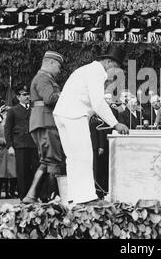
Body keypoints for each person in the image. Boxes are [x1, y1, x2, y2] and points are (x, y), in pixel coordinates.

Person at [53, 45, 129, 205]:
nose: (115, 73)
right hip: (75, 114)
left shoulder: (86, 69)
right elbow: (98, 103)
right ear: (108, 62)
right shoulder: (97, 72)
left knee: (73, 158)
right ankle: (86, 197)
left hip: (62, 114)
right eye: (116, 67)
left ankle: (73, 197)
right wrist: (115, 124)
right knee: (84, 156)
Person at [22, 51, 66, 204]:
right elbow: (49, 98)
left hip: (42, 122)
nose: (59, 70)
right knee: (54, 160)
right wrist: (67, 93)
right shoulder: (43, 78)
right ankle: (54, 197)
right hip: (46, 122)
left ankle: (31, 196)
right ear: (51, 63)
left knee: (47, 160)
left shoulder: (43, 78)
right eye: (58, 66)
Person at [5, 86, 38, 200]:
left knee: (35, 169)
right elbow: (7, 129)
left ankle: (34, 195)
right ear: (18, 97)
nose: (27, 96)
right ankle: (23, 196)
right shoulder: (12, 110)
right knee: (22, 171)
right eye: (24, 94)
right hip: (20, 144)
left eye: (28, 94)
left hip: (34, 144)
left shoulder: (34, 109)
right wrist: (9, 146)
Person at [0, 105, 17, 199]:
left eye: (8, 113)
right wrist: (4, 141)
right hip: (0, 152)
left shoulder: (14, 125)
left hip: (11, 151)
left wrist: (12, 142)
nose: (7, 115)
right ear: (1, 114)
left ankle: (10, 192)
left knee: (12, 173)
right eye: (5, 113)